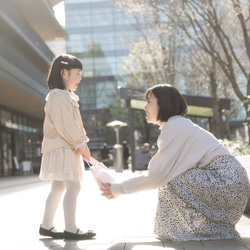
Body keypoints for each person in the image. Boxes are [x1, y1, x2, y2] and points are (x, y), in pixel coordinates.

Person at [101, 84, 250, 241]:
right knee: (171, 176)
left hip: (227, 183)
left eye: (149, 101)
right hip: (232, 185)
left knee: (171, 177)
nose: (145, 107)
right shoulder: (177, 124)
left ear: (163, 103)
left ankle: (198, 231)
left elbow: (156, 175)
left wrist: (120, 188)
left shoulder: (175, 125)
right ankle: (203, 229)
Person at [39, 54, 96, 240]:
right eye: (77, 73)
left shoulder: (60, 96)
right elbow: (68, 126)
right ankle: (70, 228)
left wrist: (81, 142)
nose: (79, 78)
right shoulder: (60, 96)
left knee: (58, 187)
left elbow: (70, 125)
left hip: (61, 147)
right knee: (74, 186)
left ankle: (46, 226)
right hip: (64, 147)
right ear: (64, 73)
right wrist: (81, 145)